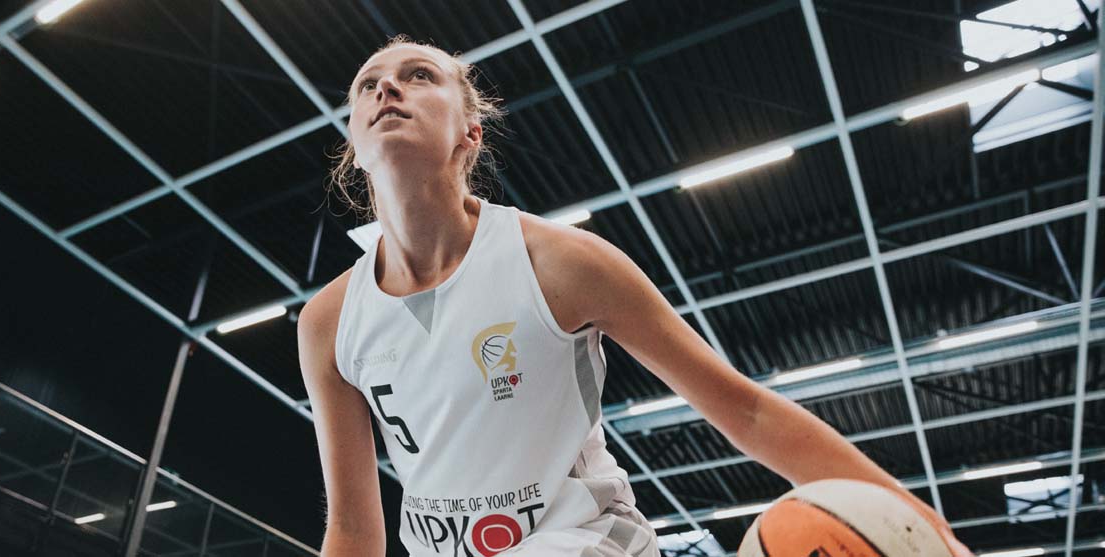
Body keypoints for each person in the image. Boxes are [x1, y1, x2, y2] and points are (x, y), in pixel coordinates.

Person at [297, 35, 972, 557]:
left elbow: (747, 410)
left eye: (420, 75)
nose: (387, 86)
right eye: (368, 85)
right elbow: (354, 530)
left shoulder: (559, 263)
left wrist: (930, 531)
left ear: (470, 132)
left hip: (586, 542)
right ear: (354, 144)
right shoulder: (329, 322)